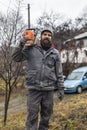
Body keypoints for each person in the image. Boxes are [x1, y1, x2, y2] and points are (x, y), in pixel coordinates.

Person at [12, 28, 64, 130]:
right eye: (45, 34)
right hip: (34, 89)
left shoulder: (55, 53)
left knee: (46, 117)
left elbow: (59, 72)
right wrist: (22, 43)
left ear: (51, 38)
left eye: (49, 35)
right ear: (41, 37)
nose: (47, 36)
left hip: (48, 90)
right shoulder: (31, 49)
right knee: (32, 117)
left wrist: (61, 88)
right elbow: (16, 57)